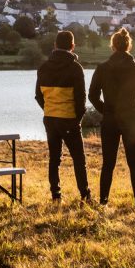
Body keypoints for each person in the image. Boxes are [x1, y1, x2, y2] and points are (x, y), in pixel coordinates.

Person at [89, 27, 135, 209]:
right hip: (131, 121)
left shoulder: (102, 68)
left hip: (110, 121)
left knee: (108, 163)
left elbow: (92, 95)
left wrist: (106, 110)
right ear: (128, 46)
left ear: (113, 46)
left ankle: (103, 203)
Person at [35, 30, 91, 202]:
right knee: (79, 159)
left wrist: (49, 110)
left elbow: (38, 95)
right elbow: (81, 98)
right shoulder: (75, 68)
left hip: (50, 119)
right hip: (69, 119)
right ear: (72, 46)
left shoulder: (43, 67)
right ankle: (85, 195)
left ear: (55, 45)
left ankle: (55, 195)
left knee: (54, 158)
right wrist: (76, 119)